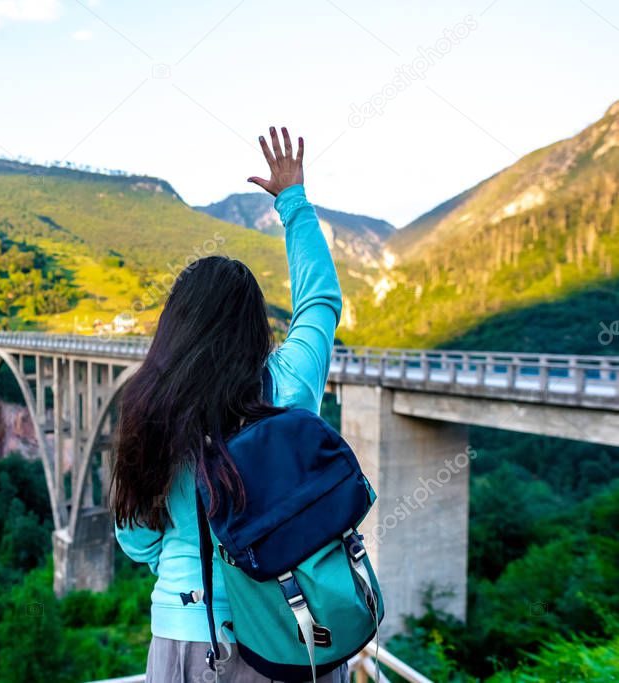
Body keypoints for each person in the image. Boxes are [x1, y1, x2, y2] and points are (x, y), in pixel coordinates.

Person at [112, 126, 347, 683]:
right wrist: (292, 200)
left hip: (190, 638)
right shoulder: (289, 385)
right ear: (255, 326)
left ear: (175, 325)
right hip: (295, 634)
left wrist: (186, 552)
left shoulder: (148, 406)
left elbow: (136, 537)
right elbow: (320, 300)